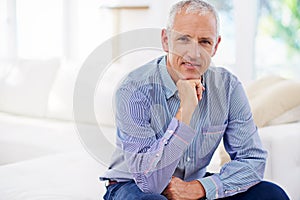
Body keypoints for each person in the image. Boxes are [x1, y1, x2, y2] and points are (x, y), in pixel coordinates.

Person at [100, 0, 289, 199]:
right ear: (166, 40)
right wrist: (186, 110)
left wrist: (200, 188)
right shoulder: (133, 89)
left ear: (215, 46)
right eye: (183, 39)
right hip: (133, 186)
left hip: (191, 186)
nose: (194, 53)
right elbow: (150, 184)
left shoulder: (228, 87)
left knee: (271, 194)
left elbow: (253, 159)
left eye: (205, 42)